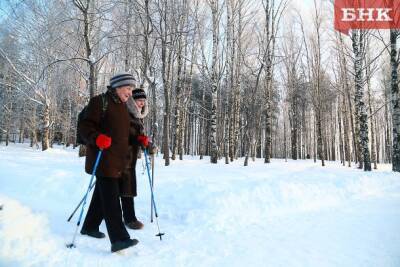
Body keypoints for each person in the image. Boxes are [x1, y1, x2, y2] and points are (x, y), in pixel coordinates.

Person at [78, 72, 150, 253]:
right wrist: (97, 138)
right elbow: (85, 127)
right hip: (103, 159)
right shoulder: (99, 102)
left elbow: (125, 135)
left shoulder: (123, 107)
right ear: (117, 87)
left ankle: (90, 226)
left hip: (117, 161)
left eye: (131, 89)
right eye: (128, 88)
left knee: (101, 198)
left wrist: (138, 140)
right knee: (111, 201)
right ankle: (119, 239)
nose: (129, 93)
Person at [120, 87, 156, 230]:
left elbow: (138, 136)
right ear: (132, 101)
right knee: (123, 188)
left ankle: (97, 218)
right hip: (122, 157)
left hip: (130, 158)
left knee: (122, 188)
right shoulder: (126, 114)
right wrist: (139, 140)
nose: (141, 103)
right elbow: (123, 135)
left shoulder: (137, 116)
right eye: (138, 100)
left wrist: (147, 144)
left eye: (143, 101)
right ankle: (129, 218)